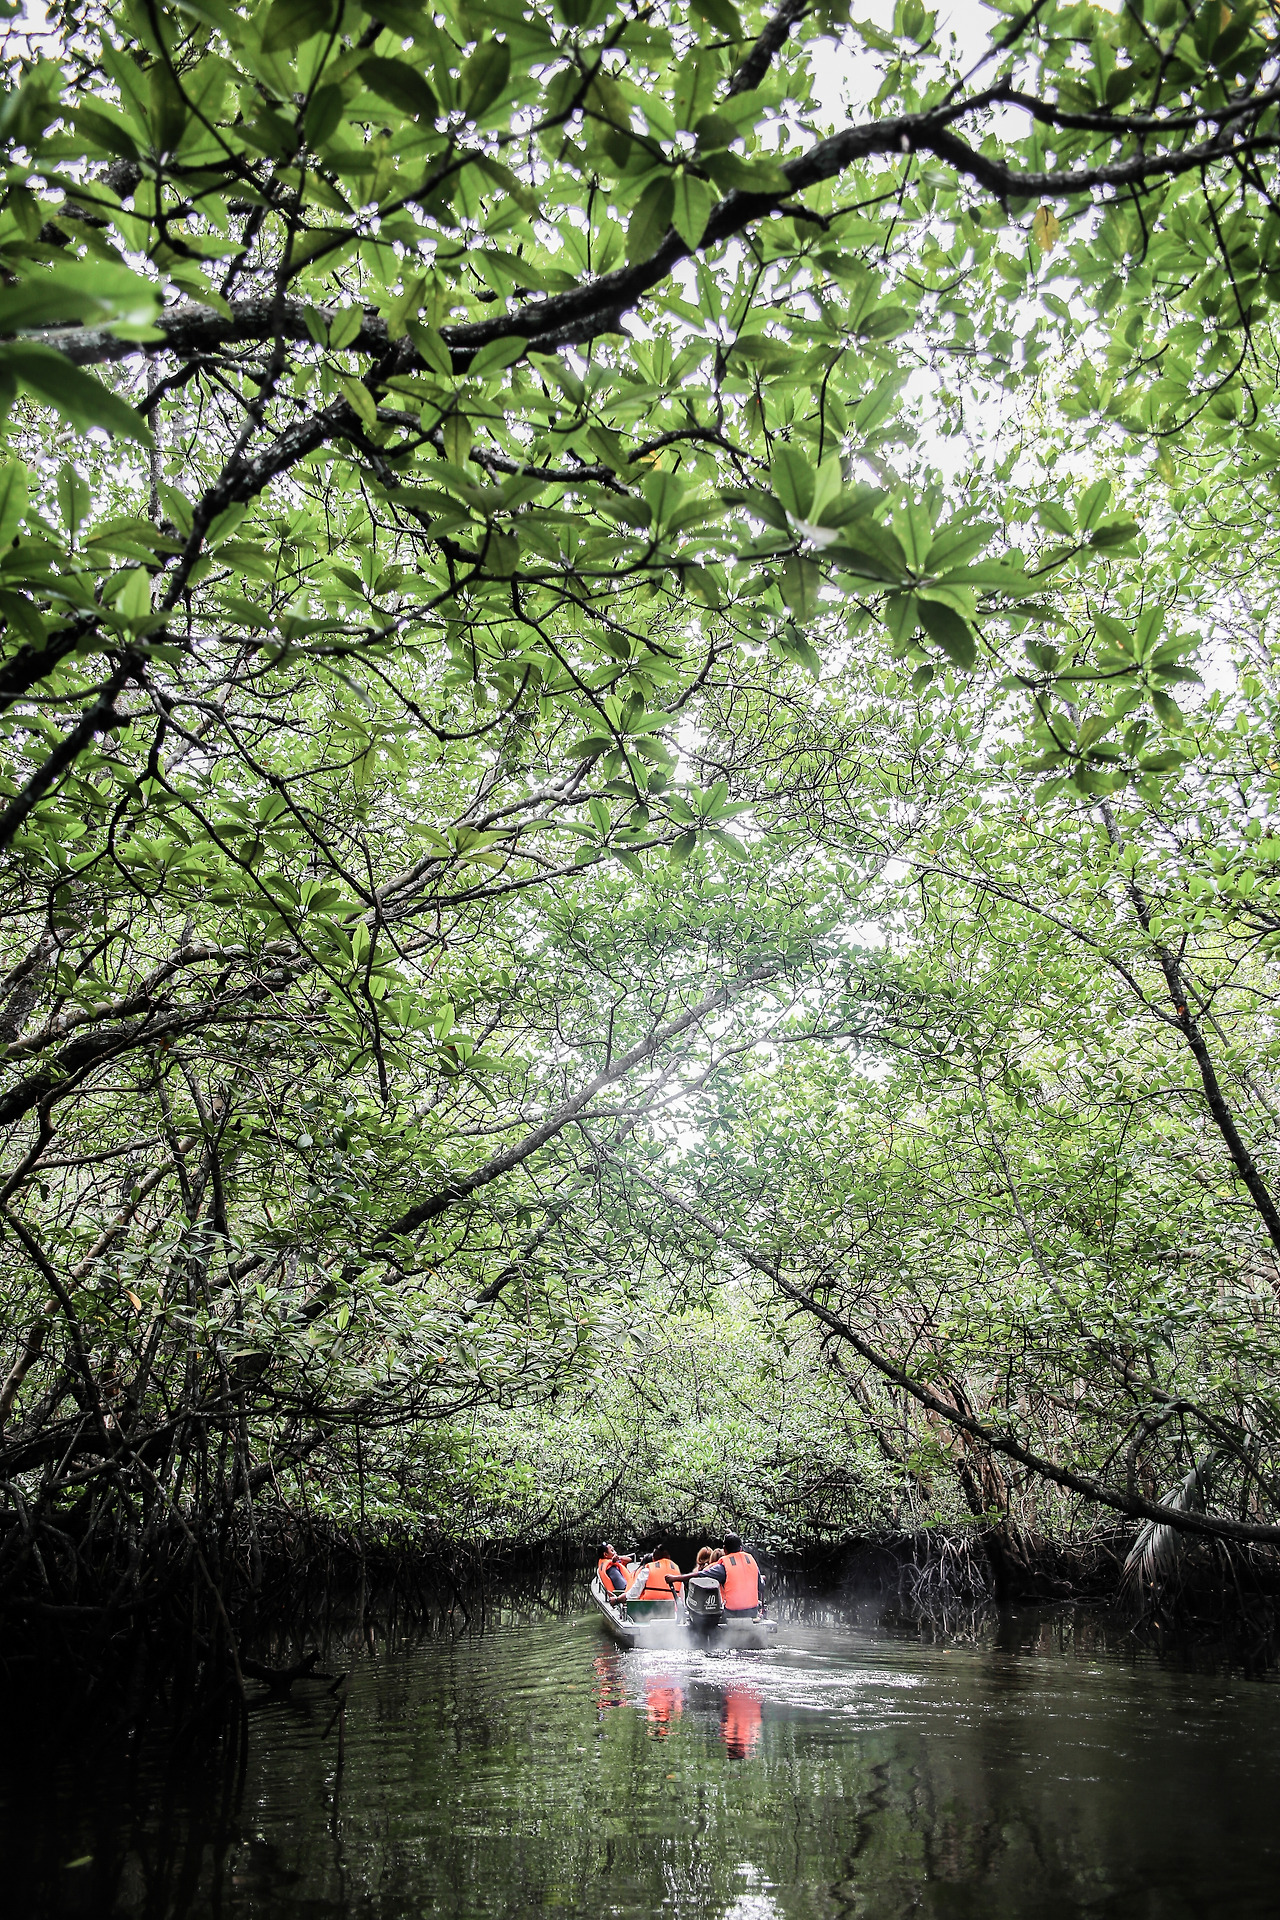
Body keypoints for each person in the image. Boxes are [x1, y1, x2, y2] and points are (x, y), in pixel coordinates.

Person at [711, 1532, 764, 1616]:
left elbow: (700, 1575)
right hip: (753, 1612)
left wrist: (682, 1578)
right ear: (741, 1548)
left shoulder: (722, 1567)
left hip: (731, 1613)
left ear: (724, 1549)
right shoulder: (751, 1561)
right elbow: (761, 1586)